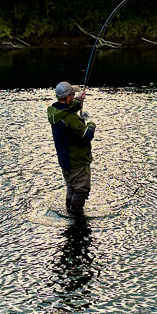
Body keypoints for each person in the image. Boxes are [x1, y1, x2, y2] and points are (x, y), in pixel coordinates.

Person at [47, 81, 96, 215]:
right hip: (77, 162)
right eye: (73, 95)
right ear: (67, 97)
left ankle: (68, 212)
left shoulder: (55, 112)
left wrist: (78, 101)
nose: (74, 96)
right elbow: (87, 135)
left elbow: (67, 109)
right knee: (81, 190)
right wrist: (91, 123)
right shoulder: (70, 119)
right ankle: (76, 216)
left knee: (71, 187)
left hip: (65, 161)